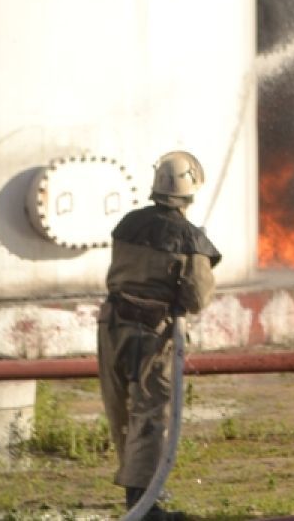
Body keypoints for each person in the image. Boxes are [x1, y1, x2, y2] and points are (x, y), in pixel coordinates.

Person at [97, 151, 221, 521]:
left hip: (111, 326)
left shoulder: (127, 224)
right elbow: (197, 298)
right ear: (192, 192)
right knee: (151, 413)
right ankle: (146, 507)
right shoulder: (189, 237)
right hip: (150, 334)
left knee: (120, 409)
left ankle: (142, 497)